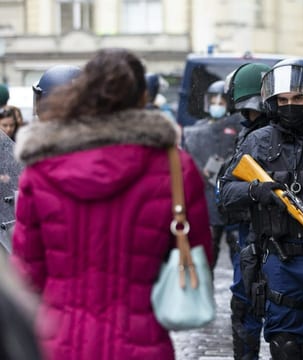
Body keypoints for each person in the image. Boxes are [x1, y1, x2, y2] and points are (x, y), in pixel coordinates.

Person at [11, 48, 213, 360]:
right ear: (143, 97)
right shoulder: (176, 167)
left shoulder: (41, 167)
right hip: (143, 342)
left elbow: (26, 273)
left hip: (59, 342)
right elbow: (199, 258)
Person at [220, 58, 303, 359]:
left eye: (297, 98)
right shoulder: (258, 141)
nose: (290, 105)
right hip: (281, 259)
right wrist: (255, 190)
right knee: (284, 346)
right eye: (282, 100)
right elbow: (226, 192)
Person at [219, 62, 273, 360]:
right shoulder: (248, 134)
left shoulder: (268, 134)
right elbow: (228, 190)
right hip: (249, 233)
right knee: (245, 304)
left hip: (271, 235)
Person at [183, 77, 243, 272]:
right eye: (213, 102)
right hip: (206, 194)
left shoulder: (239, 128)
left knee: (238, 245)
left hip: (230, 192)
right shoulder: (197, 129)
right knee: (210, 242)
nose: (217, 106)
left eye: (221, 102)